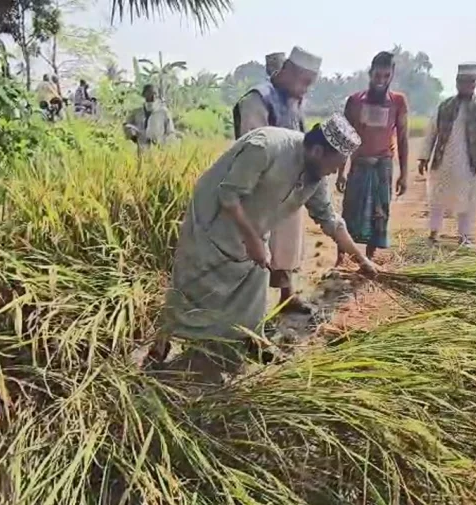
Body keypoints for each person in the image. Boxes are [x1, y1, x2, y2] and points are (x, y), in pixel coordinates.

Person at [163, 115, 378, 356]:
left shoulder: (316, 176)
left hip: (253, 225)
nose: (335, 171)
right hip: (214, 220)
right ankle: (161, 341)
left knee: (252, 289)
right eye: (335, 164)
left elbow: (330, 221)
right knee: (193, 286)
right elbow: (228, 197)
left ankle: (251, 339)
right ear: (318, 151)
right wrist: (252, 239)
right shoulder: (266, 147)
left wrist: (362, 260)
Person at [233, 46, 320, 315]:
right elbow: (252, 146)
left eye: (310, 84)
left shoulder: (295, 100)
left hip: (289, 186)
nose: (305, 89)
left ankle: (286, 296)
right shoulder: (258, 100)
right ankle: (249, 313)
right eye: (304, 82)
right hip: (263, 189)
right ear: (288, 72)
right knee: (258, 251)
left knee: (287, 245)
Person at [336, 51, 409, 264]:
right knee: (349, 211)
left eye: (386, 76)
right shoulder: (355, 101)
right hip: (359, 165)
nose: (381, 81)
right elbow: (345, 138)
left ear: (392, 75)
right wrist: (341, 172)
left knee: (379, 214)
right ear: (370, 73)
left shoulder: (398, 102)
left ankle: (368, 258)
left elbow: (403, 139)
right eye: (378, 76)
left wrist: (404, 175)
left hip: (383, 166)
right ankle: (341, 258)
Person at [418, 63, 476, 247]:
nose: (465, 85)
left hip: (469, 162)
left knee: (468, 200)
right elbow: (431, 132)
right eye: (461, 81)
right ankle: (433, 233)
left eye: (470, 81)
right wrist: (424, 157)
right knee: (437, 198)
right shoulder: (445, 106)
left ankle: (465, 236)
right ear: (456, 82)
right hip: (443, 160)